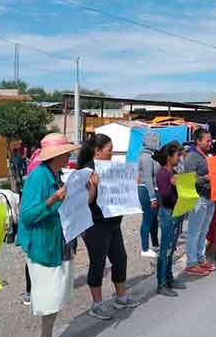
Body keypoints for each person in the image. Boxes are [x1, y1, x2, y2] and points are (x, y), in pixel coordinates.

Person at [16, 133, 81, 337]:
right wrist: (52, 200)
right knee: (50, 297)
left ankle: (47, 333)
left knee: (58, 294)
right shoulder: (39, 177)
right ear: (56, 156)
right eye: (66, 152)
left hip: (56, 240)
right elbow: (26, 215)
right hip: (43, 243)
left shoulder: (54, 174)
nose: (69, 155)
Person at [78, 134, 140, 321]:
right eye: (109, 150)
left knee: (120, 259)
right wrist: (93, 187)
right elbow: (82, 202)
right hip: (95, 225)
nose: (112, 154)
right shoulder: (87, 172)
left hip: (114, 223)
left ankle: (121, 297)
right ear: (97, 151)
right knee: (98, 263)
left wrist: (130, 184)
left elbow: (120, 191)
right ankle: (97, 305)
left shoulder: (112, 168)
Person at [154, 142, 188, 297]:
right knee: (165, 249)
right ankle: (161, 283)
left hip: (176, 211)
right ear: (169, 158)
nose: (179, 158)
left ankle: (169, 278)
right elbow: (165, 195)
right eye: (177, 155)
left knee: (171, 247)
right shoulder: (163, 174)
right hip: (168, 212)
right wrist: (174, 185)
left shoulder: (172, 172)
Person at [184, 128, 216, 277]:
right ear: (198, 141)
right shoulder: (192, 156)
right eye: (207, 141)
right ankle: (191, 263)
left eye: (210, 140)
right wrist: (205, 178)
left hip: (210, 197)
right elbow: (188, 179)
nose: (210, 143)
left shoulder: (207, 155)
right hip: (198, 198)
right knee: (194, 232)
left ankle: (200, 258)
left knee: (203, 231)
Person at [138, 131, 160, 258]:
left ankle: (155, 243)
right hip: (147, 191)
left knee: (153, 220)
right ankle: (145, 248)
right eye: (157, 140)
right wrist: (152, 197)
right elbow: (147, 178)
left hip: (150, 190)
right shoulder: (146, 157)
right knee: (147, 219)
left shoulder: (151, 155)